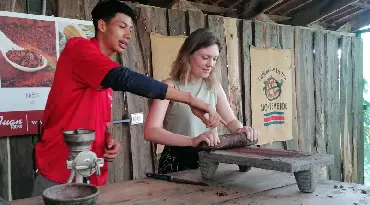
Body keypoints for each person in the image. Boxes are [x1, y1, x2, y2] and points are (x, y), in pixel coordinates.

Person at [32, 0, 226, 196]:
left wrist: (108, 140)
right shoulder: (78, 49)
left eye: (131, 29)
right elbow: (124, 78)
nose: (128, 34)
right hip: (59, 169)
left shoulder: (103, 75)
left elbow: (101, 122)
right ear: (102, 25)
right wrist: (190, 99)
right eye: (122, 26)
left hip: (91, 172)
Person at [144, 28, 260, 174]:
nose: (210, 64)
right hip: (177, 159)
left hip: (211, 159)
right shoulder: (169, 86)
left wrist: (240, 130)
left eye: (215, 59)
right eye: (205, 57)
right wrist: (191, 141)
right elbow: (151, 131)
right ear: (187, 56)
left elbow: (230, 121)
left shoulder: (214, 86)